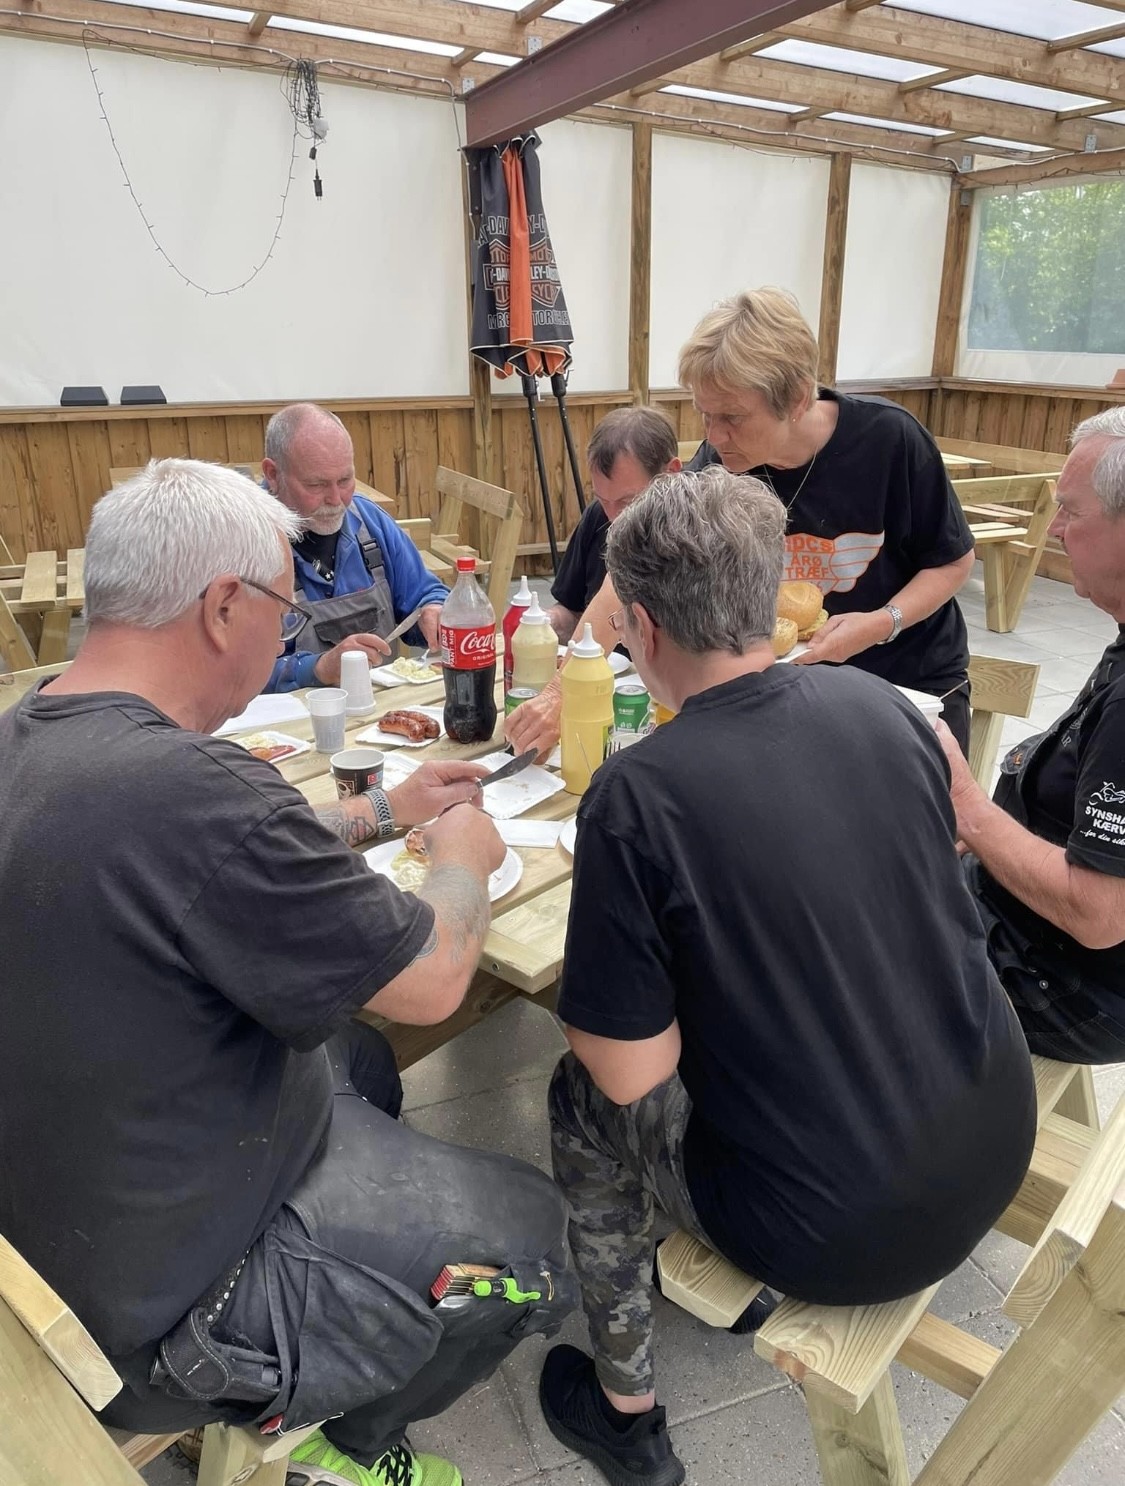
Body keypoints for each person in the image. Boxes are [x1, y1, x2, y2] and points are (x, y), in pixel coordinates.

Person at [0, 460, 575, 1486]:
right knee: (535, 1239)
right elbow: (436, 978)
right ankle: (346, 1448)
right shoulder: (192, 789)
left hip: (60, 1218)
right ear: (224, 605)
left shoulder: (34, 728)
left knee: (358, 1056)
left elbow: (204, 850)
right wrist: (459, 855)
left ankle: (352, 1315)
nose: (287, 631)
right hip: (162, 1313)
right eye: (284, 607)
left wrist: (384, 810)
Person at [537, 468, 1035, 1486]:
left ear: (640, 626)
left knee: (578, 1091)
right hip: (995, 1141)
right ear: (769, 596)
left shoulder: (636, 795)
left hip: (832, 1235)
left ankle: (627, 1415)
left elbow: (630, 1074)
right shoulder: (889, 709)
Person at [506, 288, 976, 759]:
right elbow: (636, 570)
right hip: (803, 693)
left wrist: (880, 623)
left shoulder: (890, 439)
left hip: (911, 688)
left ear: (796, 399)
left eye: (731, 417)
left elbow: (952, 562)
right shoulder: (720, 462)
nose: (714, 436)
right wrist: (561, 690)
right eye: (705, 415)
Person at [938, 407, 1125, 1065]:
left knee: (831, 938)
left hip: (1075, 989)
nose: (1056, 530)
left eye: (1070, 512)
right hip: (1038, 925)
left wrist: (969, 806)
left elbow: (1099, 914)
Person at [262, 402, 449, 692]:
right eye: (316, 485)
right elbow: (226, 675)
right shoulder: (244, 543)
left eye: (345, 480)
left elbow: (424, 593)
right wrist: (316, 669)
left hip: (382, 711)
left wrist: (434, 609)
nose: (336, 499)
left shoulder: (370, 522)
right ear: (273, 475)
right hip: (290, 717)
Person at [546, 407, 680, 644]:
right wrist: (549, 622)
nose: (613, 518)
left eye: (627, 502)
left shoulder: (698, 538)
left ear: (670, 473)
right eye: (602, 499)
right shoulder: (597, 516)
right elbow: (572, 611)